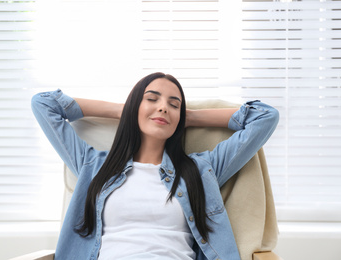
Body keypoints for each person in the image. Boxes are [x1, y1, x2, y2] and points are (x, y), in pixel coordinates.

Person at [31, 72, 279, 260]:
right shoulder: (93, 165)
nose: (163, 107)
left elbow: (265, 116)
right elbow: (44, 104)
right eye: (151, 99)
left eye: (174, 104)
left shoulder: (202, 169)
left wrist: (188, 117)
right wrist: (123, 110)